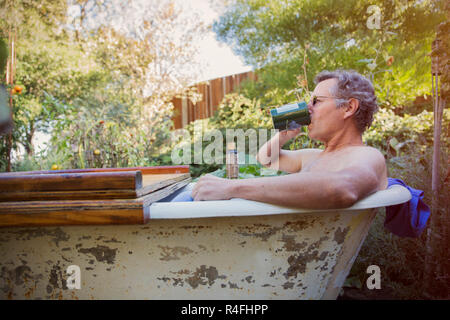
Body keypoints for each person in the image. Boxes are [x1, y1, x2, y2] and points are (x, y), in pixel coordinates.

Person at [191, 70, 388, 209]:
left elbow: (342, 189)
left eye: (316, 101)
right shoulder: (313, 156)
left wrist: (232, 188)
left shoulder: (367, 156)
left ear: (348, 108)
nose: (307, 108)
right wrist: (283, 137)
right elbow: (266, 161)